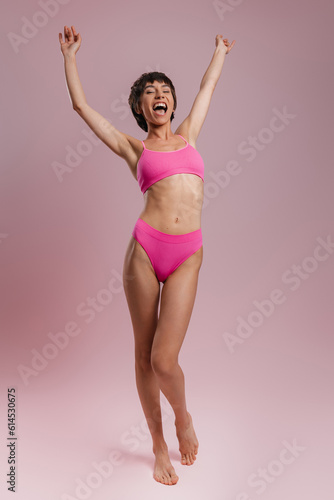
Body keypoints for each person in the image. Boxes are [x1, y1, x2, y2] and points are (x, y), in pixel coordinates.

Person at [59, 25, 235, 486]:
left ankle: (182, 415)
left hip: (187, 254)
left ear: (172, 105)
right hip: (144, 251)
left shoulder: (190, 134)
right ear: (141, 108)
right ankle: (158, 445)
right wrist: (71, 57)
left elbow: (208, 86)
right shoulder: (134, 148)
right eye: (149, 93)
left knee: (164, 359)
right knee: (143, 356)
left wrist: (218, 52)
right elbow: (82, 108)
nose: (159, 96)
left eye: (164, 91)